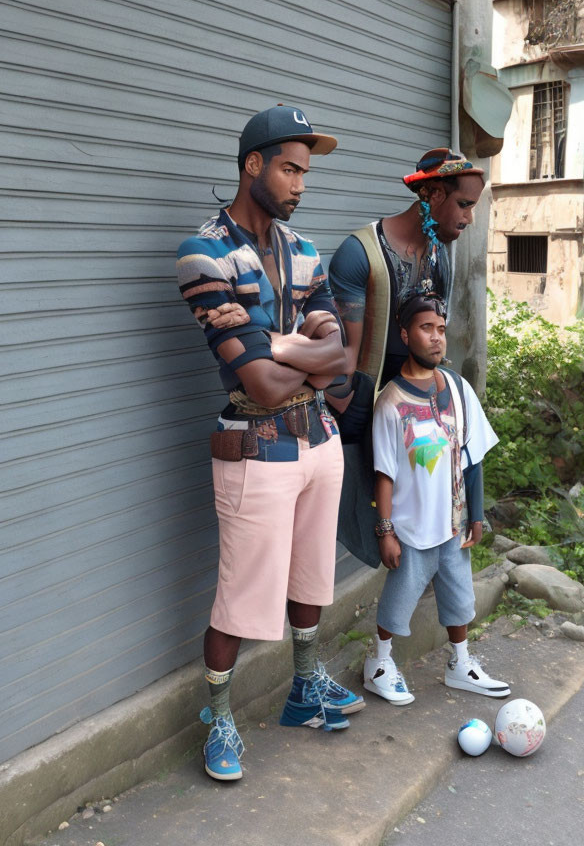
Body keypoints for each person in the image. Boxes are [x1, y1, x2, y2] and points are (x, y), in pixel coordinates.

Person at [176, 105, 364, 782]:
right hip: (253, 444)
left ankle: (304, 687)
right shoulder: (204, 253)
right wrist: (296, 352)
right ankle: (218, 716)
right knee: (241, 597)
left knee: (313, 578)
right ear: (252, 164)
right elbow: (257, 379)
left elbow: (340, 354)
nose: (301, 184)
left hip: (319, 440)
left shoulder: (305, 251)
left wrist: (282, 346)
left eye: (305, 172)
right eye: (289, 168)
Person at [326, 149, 486, 568]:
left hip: (422, 410)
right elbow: (347, 360)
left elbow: (436, 340)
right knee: (345, 521)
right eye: (464, 205)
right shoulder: (360, 254)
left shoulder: (440, 258)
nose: (469, 219)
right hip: (364, 415)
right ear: (432, 194)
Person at [363, 291, 510, 705]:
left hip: (453, 523)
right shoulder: (390, 403)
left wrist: (475, 514)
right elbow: (384, 474)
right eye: (426, 328)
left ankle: (460, 663)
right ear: (406, 334)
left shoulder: (459, 390)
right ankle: (379, 662)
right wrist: (386, 530)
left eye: (441, 330)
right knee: (398, 602)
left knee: (460, 597)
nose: (436, 338)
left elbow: (472, 455)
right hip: (412, 527)